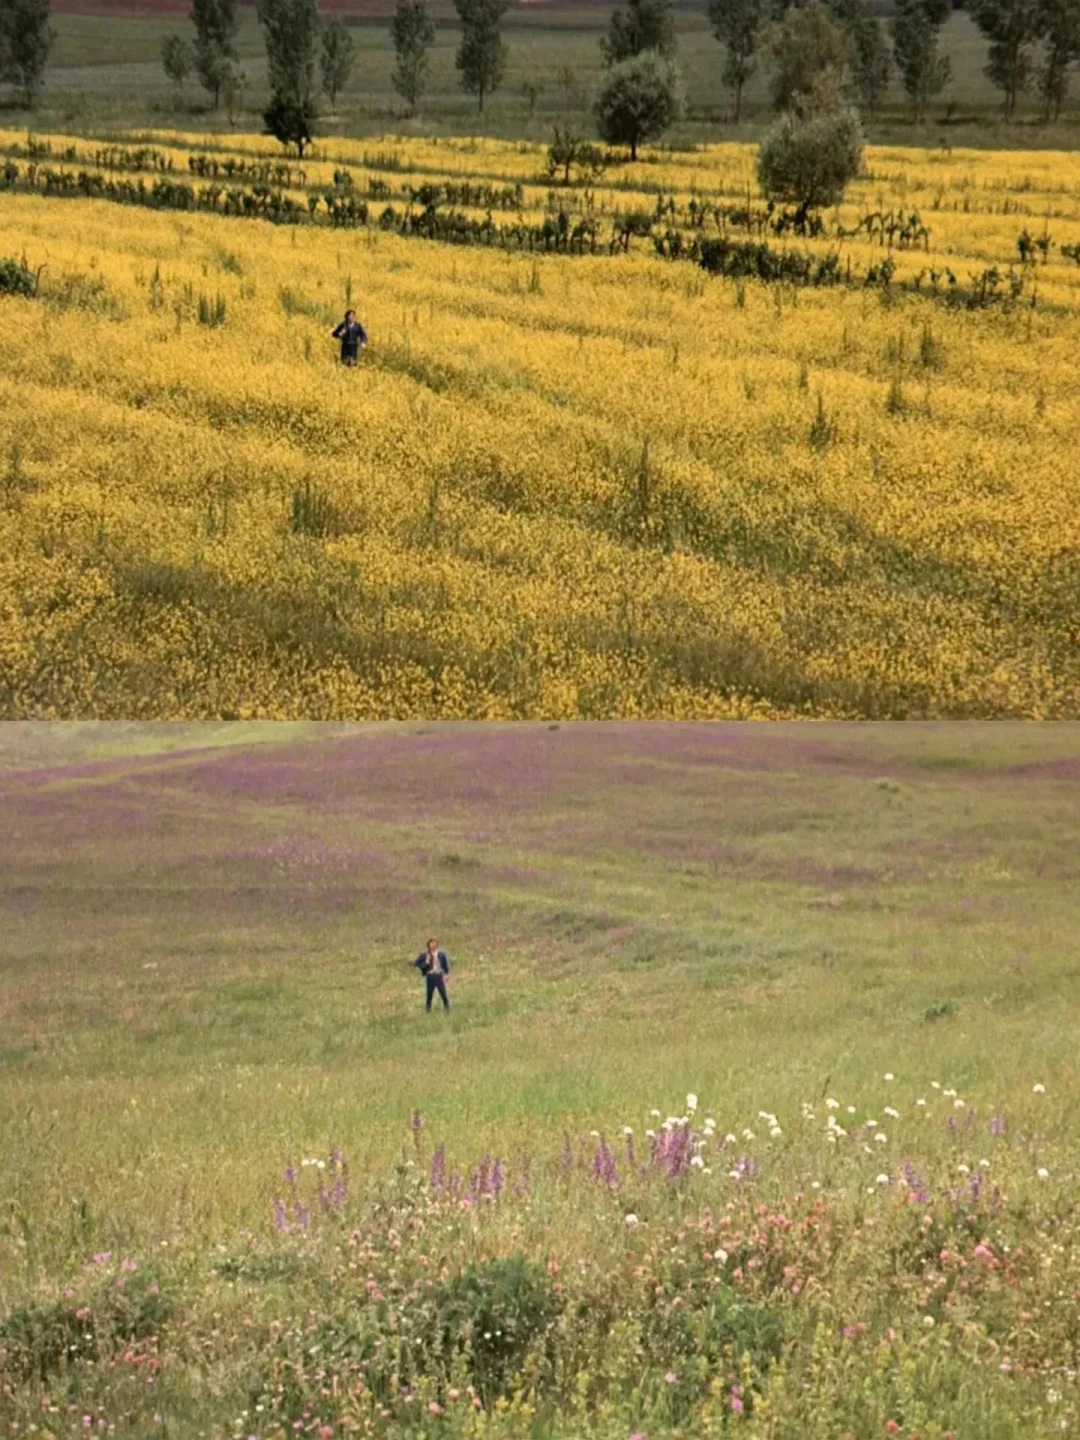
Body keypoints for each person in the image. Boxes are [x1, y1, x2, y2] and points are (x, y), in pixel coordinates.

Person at [414, 938, 450, 1012]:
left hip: (439, 976)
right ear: (429, 945)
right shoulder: (425, 954)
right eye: (431, 943)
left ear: (437, 944)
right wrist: (425, 963)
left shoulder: (441, 954)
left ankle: (447, 1010)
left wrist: (446, 974)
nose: (433, 945)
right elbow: (416, 963)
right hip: (430, 976)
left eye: (434, 943)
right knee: (429, 995)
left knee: (443, 993)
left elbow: (445, 965)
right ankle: (428, 1010)